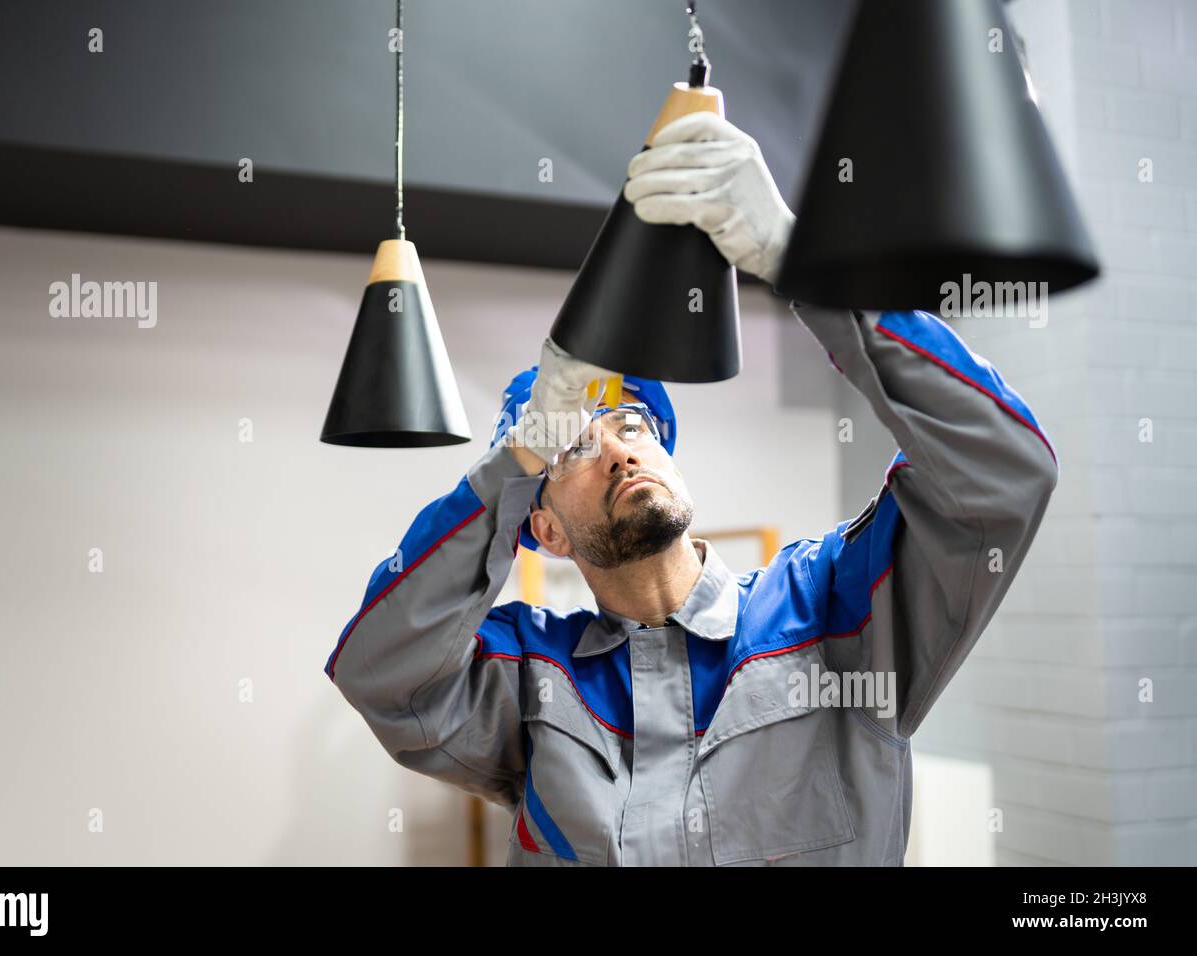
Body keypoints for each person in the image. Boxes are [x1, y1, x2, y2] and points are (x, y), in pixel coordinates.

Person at [325, 112, 1059, 866]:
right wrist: (517, 457)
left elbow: (1004, 472)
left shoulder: (836, 608)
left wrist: (802, 266)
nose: (617, 452)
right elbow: (382, 672)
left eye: (634, 425)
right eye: (574, 444)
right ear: (542, 528)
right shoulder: (530, 678)